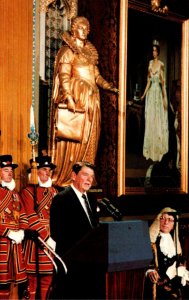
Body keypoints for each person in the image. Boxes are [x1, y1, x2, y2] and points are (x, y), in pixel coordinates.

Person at [49, 16, 118, 187]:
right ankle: (70, 175)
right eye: (81, 27)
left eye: (87, 28)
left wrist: (108, 86)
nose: (85, 31)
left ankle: (86, 176)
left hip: (92, 101)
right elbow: (64, 75)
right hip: (78, 99)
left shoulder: (89, 53)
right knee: (75, 138)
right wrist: (69, 96)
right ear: (73, 29)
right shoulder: (68, 51)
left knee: (90, 137)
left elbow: (96, 76)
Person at [50, 161, 101, 299]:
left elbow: (94, 228)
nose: (89, 180)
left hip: (92, 264)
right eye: (85, 175)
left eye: (91, 176)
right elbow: (57, 233)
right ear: (73, 175)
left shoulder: (91, 198)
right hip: (72, 264)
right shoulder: (61, 199)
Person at [20, 156, 58, 300]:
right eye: (43, 170)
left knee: (48, 278)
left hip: (52, 238)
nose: (47, 173)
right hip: (36, 239)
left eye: (49, 170)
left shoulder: (55, 192)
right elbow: (30, 216)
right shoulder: (27, 192)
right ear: (36, 172)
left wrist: (55, 236)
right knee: (32, 279)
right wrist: (46, 237)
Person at [143, 207, 189, 300]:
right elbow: (143, 263)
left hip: (174, 281)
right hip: (158, 285)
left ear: (173, 225)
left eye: (170, 220)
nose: (166, 222)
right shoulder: (150, 241)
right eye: (163, 218)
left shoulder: (175, 241)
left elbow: (179, 262)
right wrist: (149, 272)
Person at [0, 155, 29, 300]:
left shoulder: (16, 194)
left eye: (11, 170)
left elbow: (23, 214)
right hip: (2, 243)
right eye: (6, 170)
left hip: (15, 244)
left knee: (14, 282)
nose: (10, 173)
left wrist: (22, 230)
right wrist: (7, 232)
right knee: (1, 283)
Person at [141, 40, 169, 162]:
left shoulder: (161, 64)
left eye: (155, 51)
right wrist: (143, 95)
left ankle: (158, 150)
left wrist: (164, 98)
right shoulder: (149, 64)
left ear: (158, 52)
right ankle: (150, 150)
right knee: (150, 119)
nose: (153, 53)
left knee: (157, 119)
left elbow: (163, 84)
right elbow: (148, 82)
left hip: (158, 94)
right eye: (152, 51)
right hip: (151, 95)